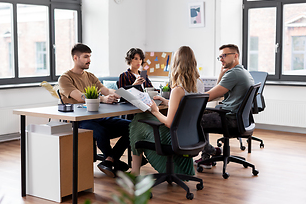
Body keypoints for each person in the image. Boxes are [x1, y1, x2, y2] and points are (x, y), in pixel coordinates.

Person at [58, 43, 131, 178]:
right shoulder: (65, 78)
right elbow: (79, 97)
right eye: (86, 57)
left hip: (98, 117)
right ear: (75, 58)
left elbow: (105, 90)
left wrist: (120, 94)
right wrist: (103, 99)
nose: (89, 60)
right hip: (79, 121)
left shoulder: (90, 76)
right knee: (101, 132)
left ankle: (110, 160)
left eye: (90, 56)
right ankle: (112, 160)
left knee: (132, 127)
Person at [129, 46, 204, 176]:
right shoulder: (199, 83)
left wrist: (155, 110)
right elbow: (186, 107)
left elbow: (169, 123)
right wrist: (167, 102)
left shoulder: (178, 89)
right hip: (190, 136)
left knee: (138, 121)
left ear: (176, 64)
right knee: (141, 120)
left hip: (175, 138)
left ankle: (135, 171)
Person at [194, 44, 254, 169]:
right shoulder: (242, 71)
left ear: (235, 56)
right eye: (220, 56)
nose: (221, 59)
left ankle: (209, 151)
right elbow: (217, 92)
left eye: (224, 55)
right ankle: (207, 156)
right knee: (202, 113)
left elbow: (208, 96)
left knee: (194, 119)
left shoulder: (233, 74)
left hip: (230, 119)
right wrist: (221, 73)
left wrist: (186, 99)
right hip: (239, 119)